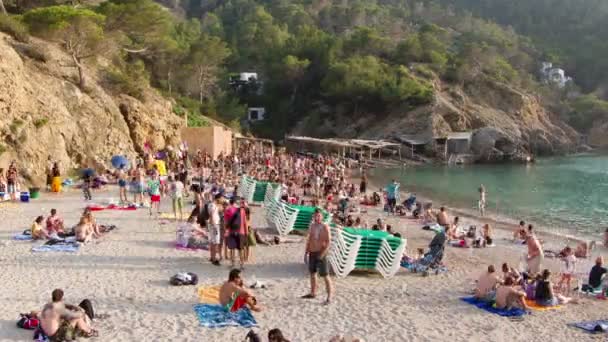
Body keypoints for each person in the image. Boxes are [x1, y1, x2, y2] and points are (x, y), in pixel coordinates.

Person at [302, 209, 333, 305]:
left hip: (321, 252)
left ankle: (329, 297)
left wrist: (322, 254)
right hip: (312, 252)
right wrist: (306, 251)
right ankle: (313, 292)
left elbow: (328, 242)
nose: (317, 218)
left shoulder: (325, 227)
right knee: (312, 273)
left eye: (319, 216)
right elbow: (309, 239)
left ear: (322, 216)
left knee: (325, 275)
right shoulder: (312, 226)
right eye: (315, 216)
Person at [224, 198, 246, 269]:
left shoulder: (228, 210)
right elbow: (244, 221)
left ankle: (232, 264)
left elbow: (226, 222)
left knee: (232, 249)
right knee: (240, 249)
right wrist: (246, 232)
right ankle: (242, 265)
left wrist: (226, 231)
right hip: (241, 231)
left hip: (232, 231)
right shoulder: (242, 210)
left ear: (230, 203)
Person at [207, 193, 222, 266]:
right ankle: (214, 258)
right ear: (218, 198)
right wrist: (214, 226)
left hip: (211, 225)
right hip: (214, 224)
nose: (222, 200)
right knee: (216, 242)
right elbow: (212, 215)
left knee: (212, 242)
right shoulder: (213, 205)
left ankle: (211, 257)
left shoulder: (211, 204)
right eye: (221, 198)